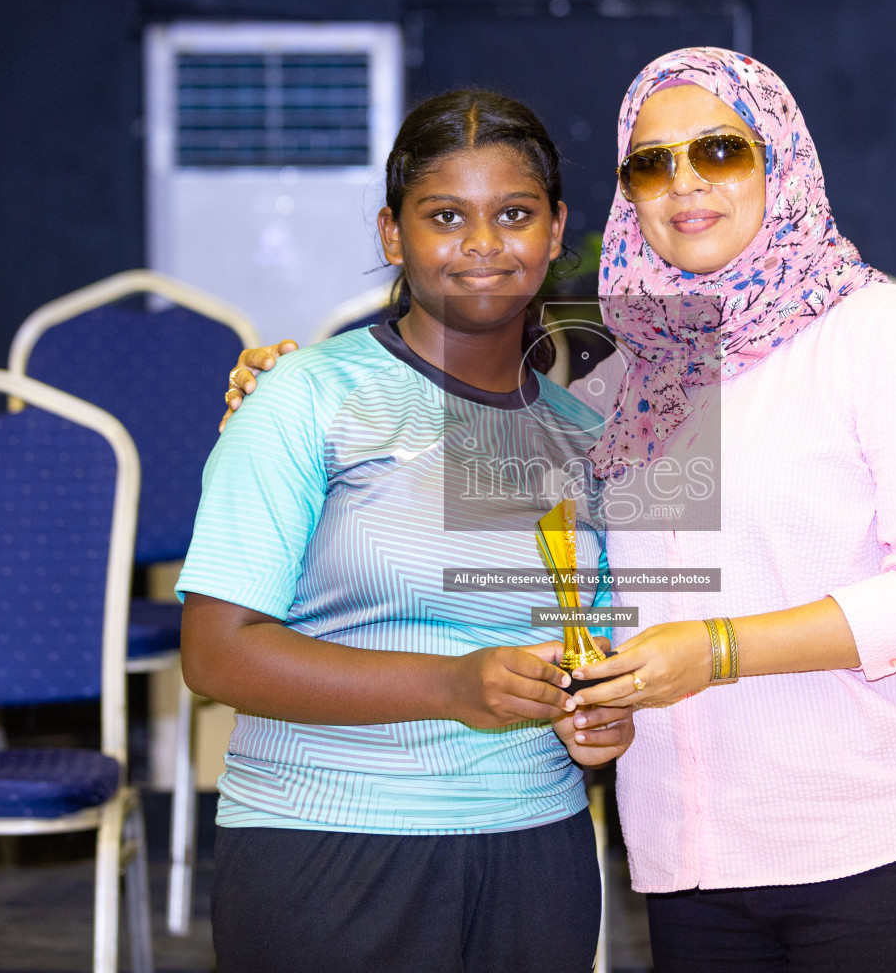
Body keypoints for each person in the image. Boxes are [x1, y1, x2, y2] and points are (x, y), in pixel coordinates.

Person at [228, 48, 896, 972]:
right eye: (651, 162)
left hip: (884, 832)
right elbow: (554, 586)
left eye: (720, 153)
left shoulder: (885, 339)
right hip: (693, 853)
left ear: (782, 162)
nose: (684, 184)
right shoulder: (621, 384)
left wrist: (719, 648)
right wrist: (292, 391)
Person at [177, 89, 633, 973]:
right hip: (329, 848)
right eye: (444, 216)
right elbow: (217, 654)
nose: (483, 244)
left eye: (514, 214)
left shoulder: (589, 435)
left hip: (536, 848)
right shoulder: (306, 397)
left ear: (555, 229)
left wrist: (604, 720)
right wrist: (454, 685)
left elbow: (600, 650)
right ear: (393, 235)